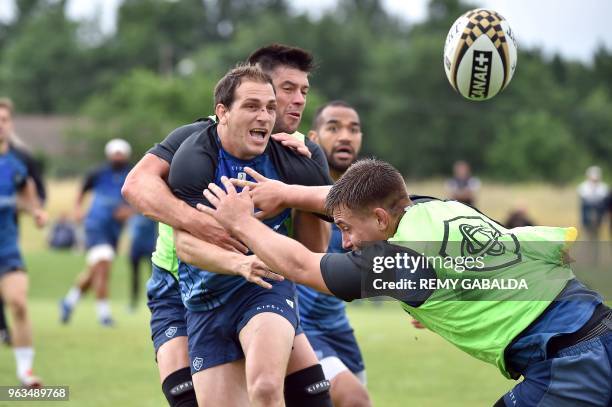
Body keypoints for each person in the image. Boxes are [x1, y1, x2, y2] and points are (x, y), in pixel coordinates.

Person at [201, 158, 612, 407]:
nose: (346, 242)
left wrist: (240, 223)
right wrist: (288, 193)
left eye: (346, 229)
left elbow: (305, 266)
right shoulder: (435, 208)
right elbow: (351, 197)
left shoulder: (400, 258)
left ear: (381, 219)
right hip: (598, 329)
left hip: (569, 362)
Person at [122, 44, 332, 407]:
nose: (296, 101)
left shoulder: (298, 155)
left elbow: (316, 248)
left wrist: (293, 194)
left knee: (293, 392)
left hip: (259, 281)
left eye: (304, 91)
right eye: (286, 89)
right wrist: (212, 226)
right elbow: (135, 186)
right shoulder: (194, 142)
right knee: (187, 398)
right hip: (180, 284)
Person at [302, 100, 371, 406]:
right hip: (298, 324)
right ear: (313, 138)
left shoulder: (367, 198)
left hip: (337, 324)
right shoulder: (297, 188)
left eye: (353, 129)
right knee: (354, 398)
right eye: (334, 127)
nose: (345, 136)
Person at [59, 139, 133, 326]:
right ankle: (104, 315)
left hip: (114, 230)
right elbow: (81, 191)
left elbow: (140, 198)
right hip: (95, 224)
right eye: (114, 153)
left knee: (96, 271)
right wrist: (77, 209)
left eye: (120, 153)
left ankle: (69, 302)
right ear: (109, 154)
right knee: (103, 268)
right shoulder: (98, 172)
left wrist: (129, 211)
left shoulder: (132, 173)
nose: (117, 156)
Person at [0, 97, 48, 387]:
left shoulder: (15, 164)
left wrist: (36, 212)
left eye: (3, 120)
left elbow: (26, 190)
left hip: (6, 247)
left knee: (18, 303)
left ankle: (25, 372)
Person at [127, 213, 157, 311]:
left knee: (154, 277)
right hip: (136, 248)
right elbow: (131, 232)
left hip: (150, 247)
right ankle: (133, 302)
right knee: (134, 276)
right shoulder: (133, 214)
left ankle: (155, 301)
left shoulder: (151, 212)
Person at [577, 165, 608, 241]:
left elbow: (603, 198)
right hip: (587, 212)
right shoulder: (583, 187)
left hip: (599, 212)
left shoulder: (603, 187)